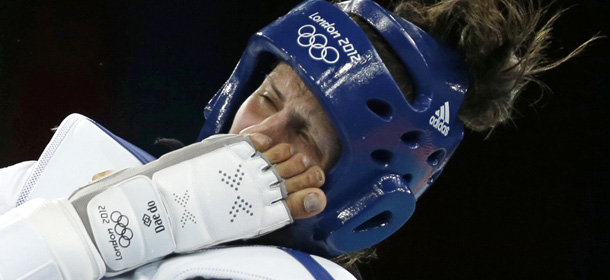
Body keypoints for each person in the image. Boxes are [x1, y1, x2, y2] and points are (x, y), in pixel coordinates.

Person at [0, 0, 597, 279]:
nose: (260, 133)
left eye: (306, 132)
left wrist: (92, 239)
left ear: (368, 205)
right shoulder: (54, 176)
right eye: (269, 97)